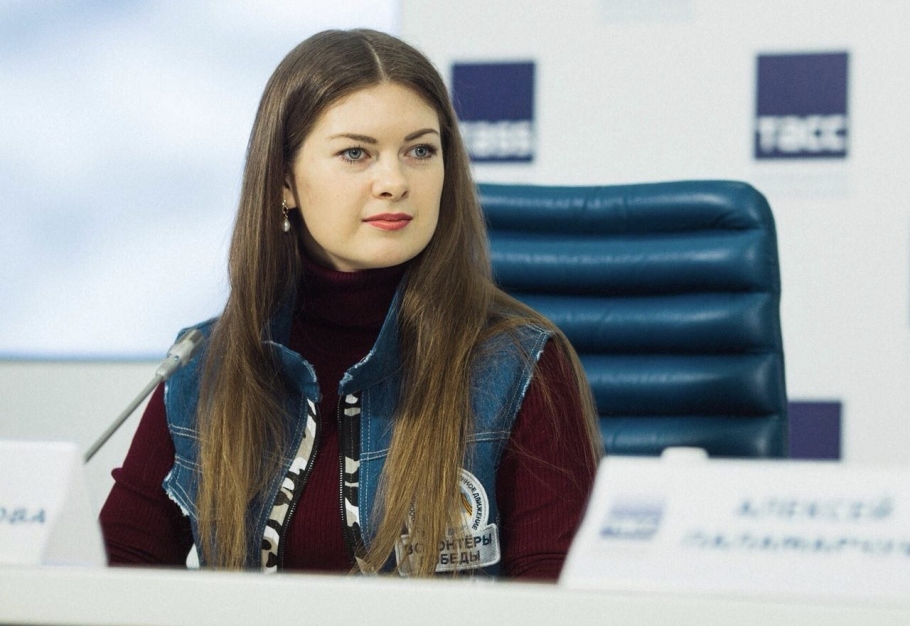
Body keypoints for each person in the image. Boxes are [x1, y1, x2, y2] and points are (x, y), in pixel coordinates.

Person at [100, 28, 601, 579]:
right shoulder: (205, 366)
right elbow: (113, 578)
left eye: (420, 150)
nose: (394, 181)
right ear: (284, 181)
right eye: (356, 153)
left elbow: (560, 601)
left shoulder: (519, 364)